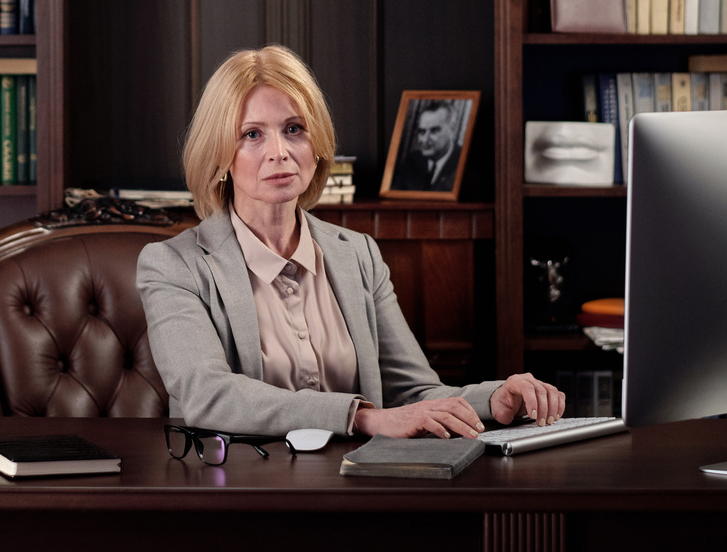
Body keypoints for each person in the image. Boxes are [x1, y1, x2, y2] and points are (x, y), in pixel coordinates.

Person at [137, 46, 563, 438]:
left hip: (359, 484)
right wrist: (361, 417)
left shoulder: (357, 253)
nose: (279, 151)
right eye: (252, 134)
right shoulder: (175, 265)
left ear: (317, 144)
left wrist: (495, 399)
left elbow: (413, 392)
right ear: (219, 154)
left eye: (294, 129)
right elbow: (208, 396)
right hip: (241, 490)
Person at [390, 100, 465, 192]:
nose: (425, 140)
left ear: (451, 130)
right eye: (422, 132)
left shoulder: (463, 162)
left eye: (434, 131)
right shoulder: (412, 161)